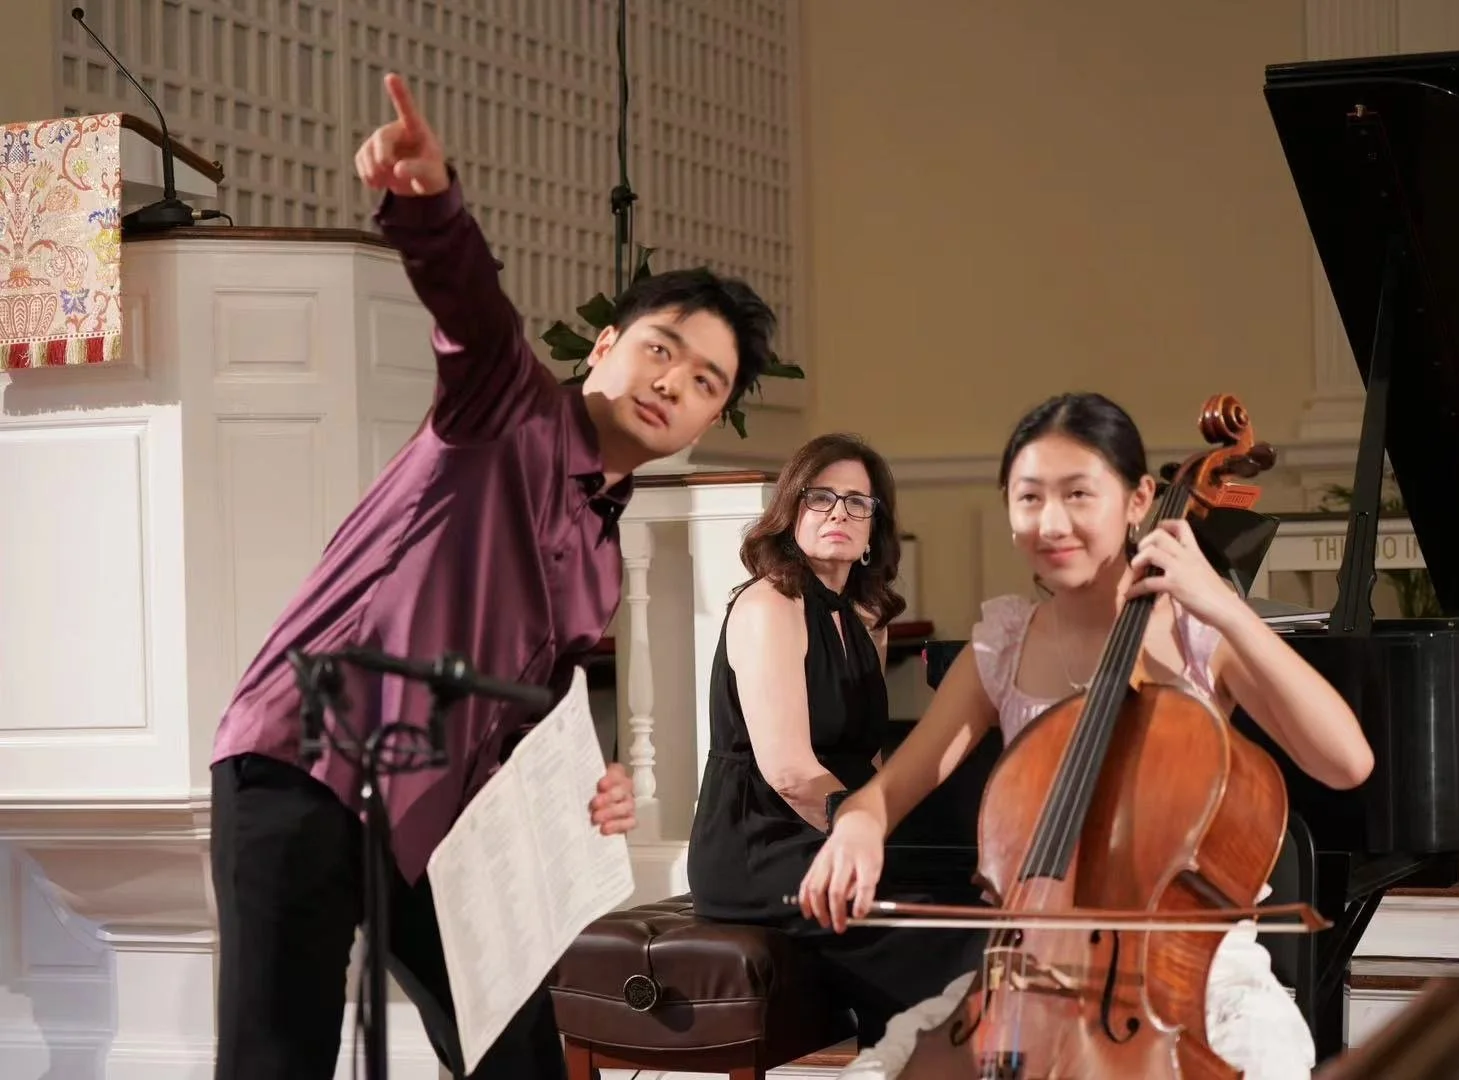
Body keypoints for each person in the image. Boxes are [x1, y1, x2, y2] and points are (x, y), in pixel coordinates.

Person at [207, 72, 778, 1080]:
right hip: (308, 763)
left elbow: (525, 730)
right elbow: (468, 302)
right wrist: (426, 200)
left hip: (437, 823)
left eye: (703, 384)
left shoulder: (599, 561)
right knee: (273, 1061)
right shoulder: (505, 409)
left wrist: (586, 782)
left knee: (516, 1059)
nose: (671, 386)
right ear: (604, 348)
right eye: (660, 350)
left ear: (705, 421)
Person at [796, 392, 1375, 1080]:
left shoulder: (1197, 635)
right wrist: (858, 825)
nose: (1052, 522)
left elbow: (1346, 761)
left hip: (1187, 986)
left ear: (1140, 501)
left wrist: (1223, 605)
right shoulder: (1005, 644)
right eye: (1029, 498)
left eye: (1078, 495)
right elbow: (888, 793)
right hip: (1025, 981)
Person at [688, 432, 984, 1049]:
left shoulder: (862, 618)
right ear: (791, 510)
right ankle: (917, 1052)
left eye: (857, 503)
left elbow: (867, 757)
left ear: (875, 526)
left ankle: (913, 1051)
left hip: (825, 830)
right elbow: (792, 772)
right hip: (760, 848)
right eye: (821, 499)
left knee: (963, 889)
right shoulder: (769, 605)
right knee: (934, 929)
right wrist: (873, 834)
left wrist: (896, 825)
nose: (839, 514)